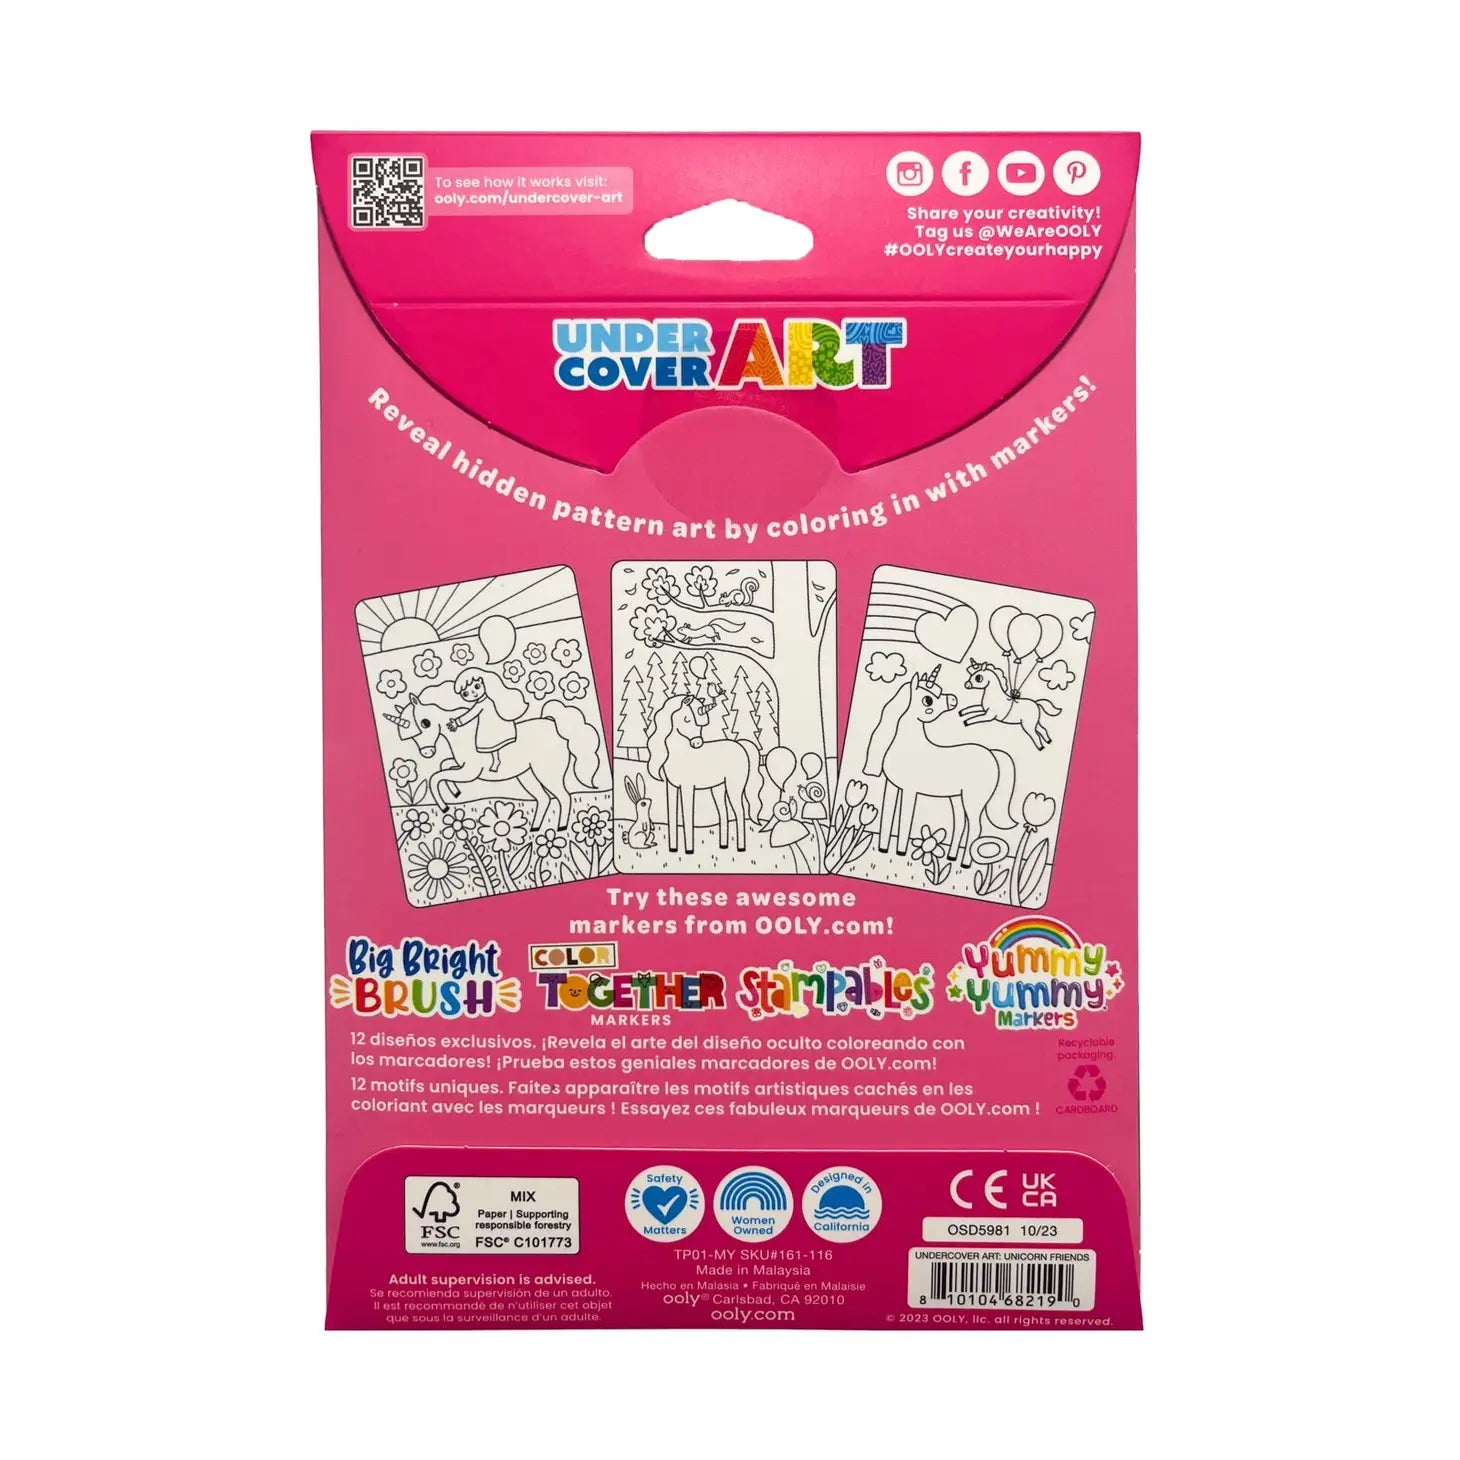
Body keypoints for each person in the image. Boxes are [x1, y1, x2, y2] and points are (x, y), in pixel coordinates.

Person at [446, 668, 521, 772]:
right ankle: (496, 760)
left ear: (482, 682)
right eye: (466, 693)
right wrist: (458, 722)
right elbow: (470, 714)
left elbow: (470, 714)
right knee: (494, 743)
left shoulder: (489, 699)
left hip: (495, 725)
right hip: (490, 726)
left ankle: (497, 761)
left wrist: (457, 722)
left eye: (476, 687)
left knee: (495, 742)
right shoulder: (482, 702)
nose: (474, 693)